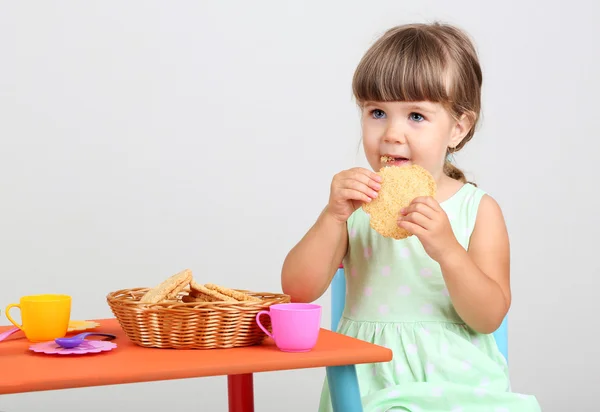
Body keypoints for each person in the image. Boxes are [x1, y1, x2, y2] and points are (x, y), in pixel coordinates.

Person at [280, 22, 541, 411]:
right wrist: (331, 218)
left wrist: (449, 250)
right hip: (372, 380)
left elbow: (488, 317)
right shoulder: (356, 208)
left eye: (416, 116)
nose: (392, 133)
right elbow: (297, 290)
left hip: (457, 385)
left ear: (457, 127)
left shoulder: (478, 210)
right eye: (378, 112)